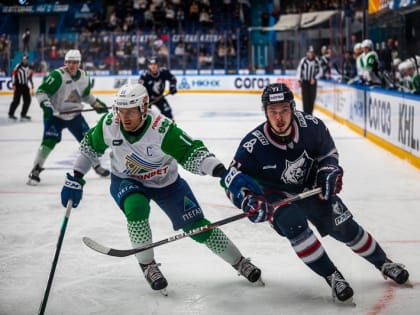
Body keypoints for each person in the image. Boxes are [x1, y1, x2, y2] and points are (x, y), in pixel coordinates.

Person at [60, 83, 263, 295]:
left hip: (166, 183)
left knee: (198, 227)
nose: (125, 116)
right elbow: (89, 148)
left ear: (144, 107)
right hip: (126, 179)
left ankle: (239, 261)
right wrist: (75, 177)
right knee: (136, 207)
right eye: (121, 110)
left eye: (130, 110)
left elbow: (193, 153)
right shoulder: (109, 124)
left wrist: (223, 173)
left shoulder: (162, 129)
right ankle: (148, 265)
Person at [220, 83, 410, 304]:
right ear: (265, 112)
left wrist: (329, 171)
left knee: (345, 227)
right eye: (272, 112)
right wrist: (247, 201)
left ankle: (383, 262)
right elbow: (230, 183)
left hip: (310, 187)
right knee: (294, 224)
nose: (279, 117)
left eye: (283, 110)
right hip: (274, 195)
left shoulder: (311, 126)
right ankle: (333, 276)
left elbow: (328, 153)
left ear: (292, 108)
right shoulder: (252, 146)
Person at [27, 49, 110, 185]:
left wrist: (96, 104)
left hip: (75, 115)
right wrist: (46, 106)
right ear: (65, 62)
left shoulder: (84, 77)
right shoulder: (57, 75)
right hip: (55, 115)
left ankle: (97, 166)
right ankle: (36, 169)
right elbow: (41, 92)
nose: (71, 65)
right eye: (69, 62)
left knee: (90, 141)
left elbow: (86, 95)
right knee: (48, 142)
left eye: (75, 62)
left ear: (79, 63)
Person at [296, 46, 322, 115]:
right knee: (305, 99)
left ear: (313, 53)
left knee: (312, 99)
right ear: (307, 53)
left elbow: (320, 71)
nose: (310, 54)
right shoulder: (303, 60)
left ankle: (310, 114)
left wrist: (315, 78)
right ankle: (305, 114)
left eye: (312, 52)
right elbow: (299, 71)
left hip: (313, 82)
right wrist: (299, 80)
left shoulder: (316, 61)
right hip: (305, 82)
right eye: (309, 52)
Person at [8, 54, 34, 121]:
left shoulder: (29, 67)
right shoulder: (18, 66)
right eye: (23, 59)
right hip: (18, 85)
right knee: (16, 101)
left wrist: (32, 85)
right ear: (22, 60)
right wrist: (13, 84)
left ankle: (23, 114)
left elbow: (30, 76)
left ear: (27, 60)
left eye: (25, 59)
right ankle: (11, 114)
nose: (24, 61)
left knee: (28, 100)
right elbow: (13, 74)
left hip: (25, 86)